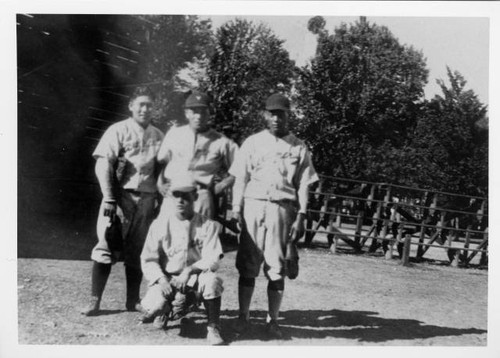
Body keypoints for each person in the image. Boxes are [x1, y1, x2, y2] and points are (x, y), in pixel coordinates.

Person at [229, 93, 319, 339]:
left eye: (281, 113)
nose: (276, 118)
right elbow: (240, 179)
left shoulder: (298, 146)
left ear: (288, 115)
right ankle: (243, 317)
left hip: (282, 208)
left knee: (276, 265)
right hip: (253, 205)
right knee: (248, 263)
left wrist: (301, 214)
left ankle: (273, 321)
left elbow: (303, 184)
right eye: (272, 113)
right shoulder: (252, 142)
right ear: (264, 115)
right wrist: (236, 208)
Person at [81, 86, 164, 316]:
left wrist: (161, 200)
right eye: (141, 104)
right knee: (106, 246)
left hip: (147, 199)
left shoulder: (159, 135)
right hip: (120, 197)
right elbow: (103, 163)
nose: (145, 109)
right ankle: (94, 300)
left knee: (138, 250)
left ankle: (132, 300)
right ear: (131, 105)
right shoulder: (118, 130)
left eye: (149, 105)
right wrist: (109, 198)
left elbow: (164, 170)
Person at [139, 176, 225, 345]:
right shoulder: (160, 224)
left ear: (194, 196)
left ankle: (213, 327)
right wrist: (162, 280)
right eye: (176, 195)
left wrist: (189, 270)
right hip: (168, 279)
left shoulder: (208, 225)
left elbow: (213, 258)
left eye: (185, 196)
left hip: (196, 277)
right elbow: (148, 258)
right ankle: (166, 310)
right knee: (154, 305)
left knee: (213, 281)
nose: (180, 200)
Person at [156, 91, 238, 220]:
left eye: (203, 112)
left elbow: (239, 170)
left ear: (209, 113)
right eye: (194, 111)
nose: (198, 116)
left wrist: (221, 185)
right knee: (169, 234)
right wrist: (160, 183)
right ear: (187, 113)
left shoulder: (221, 141)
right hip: (174, 193)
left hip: (201, 195)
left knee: (200, 236)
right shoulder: (174, 134)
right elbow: (161, 161)